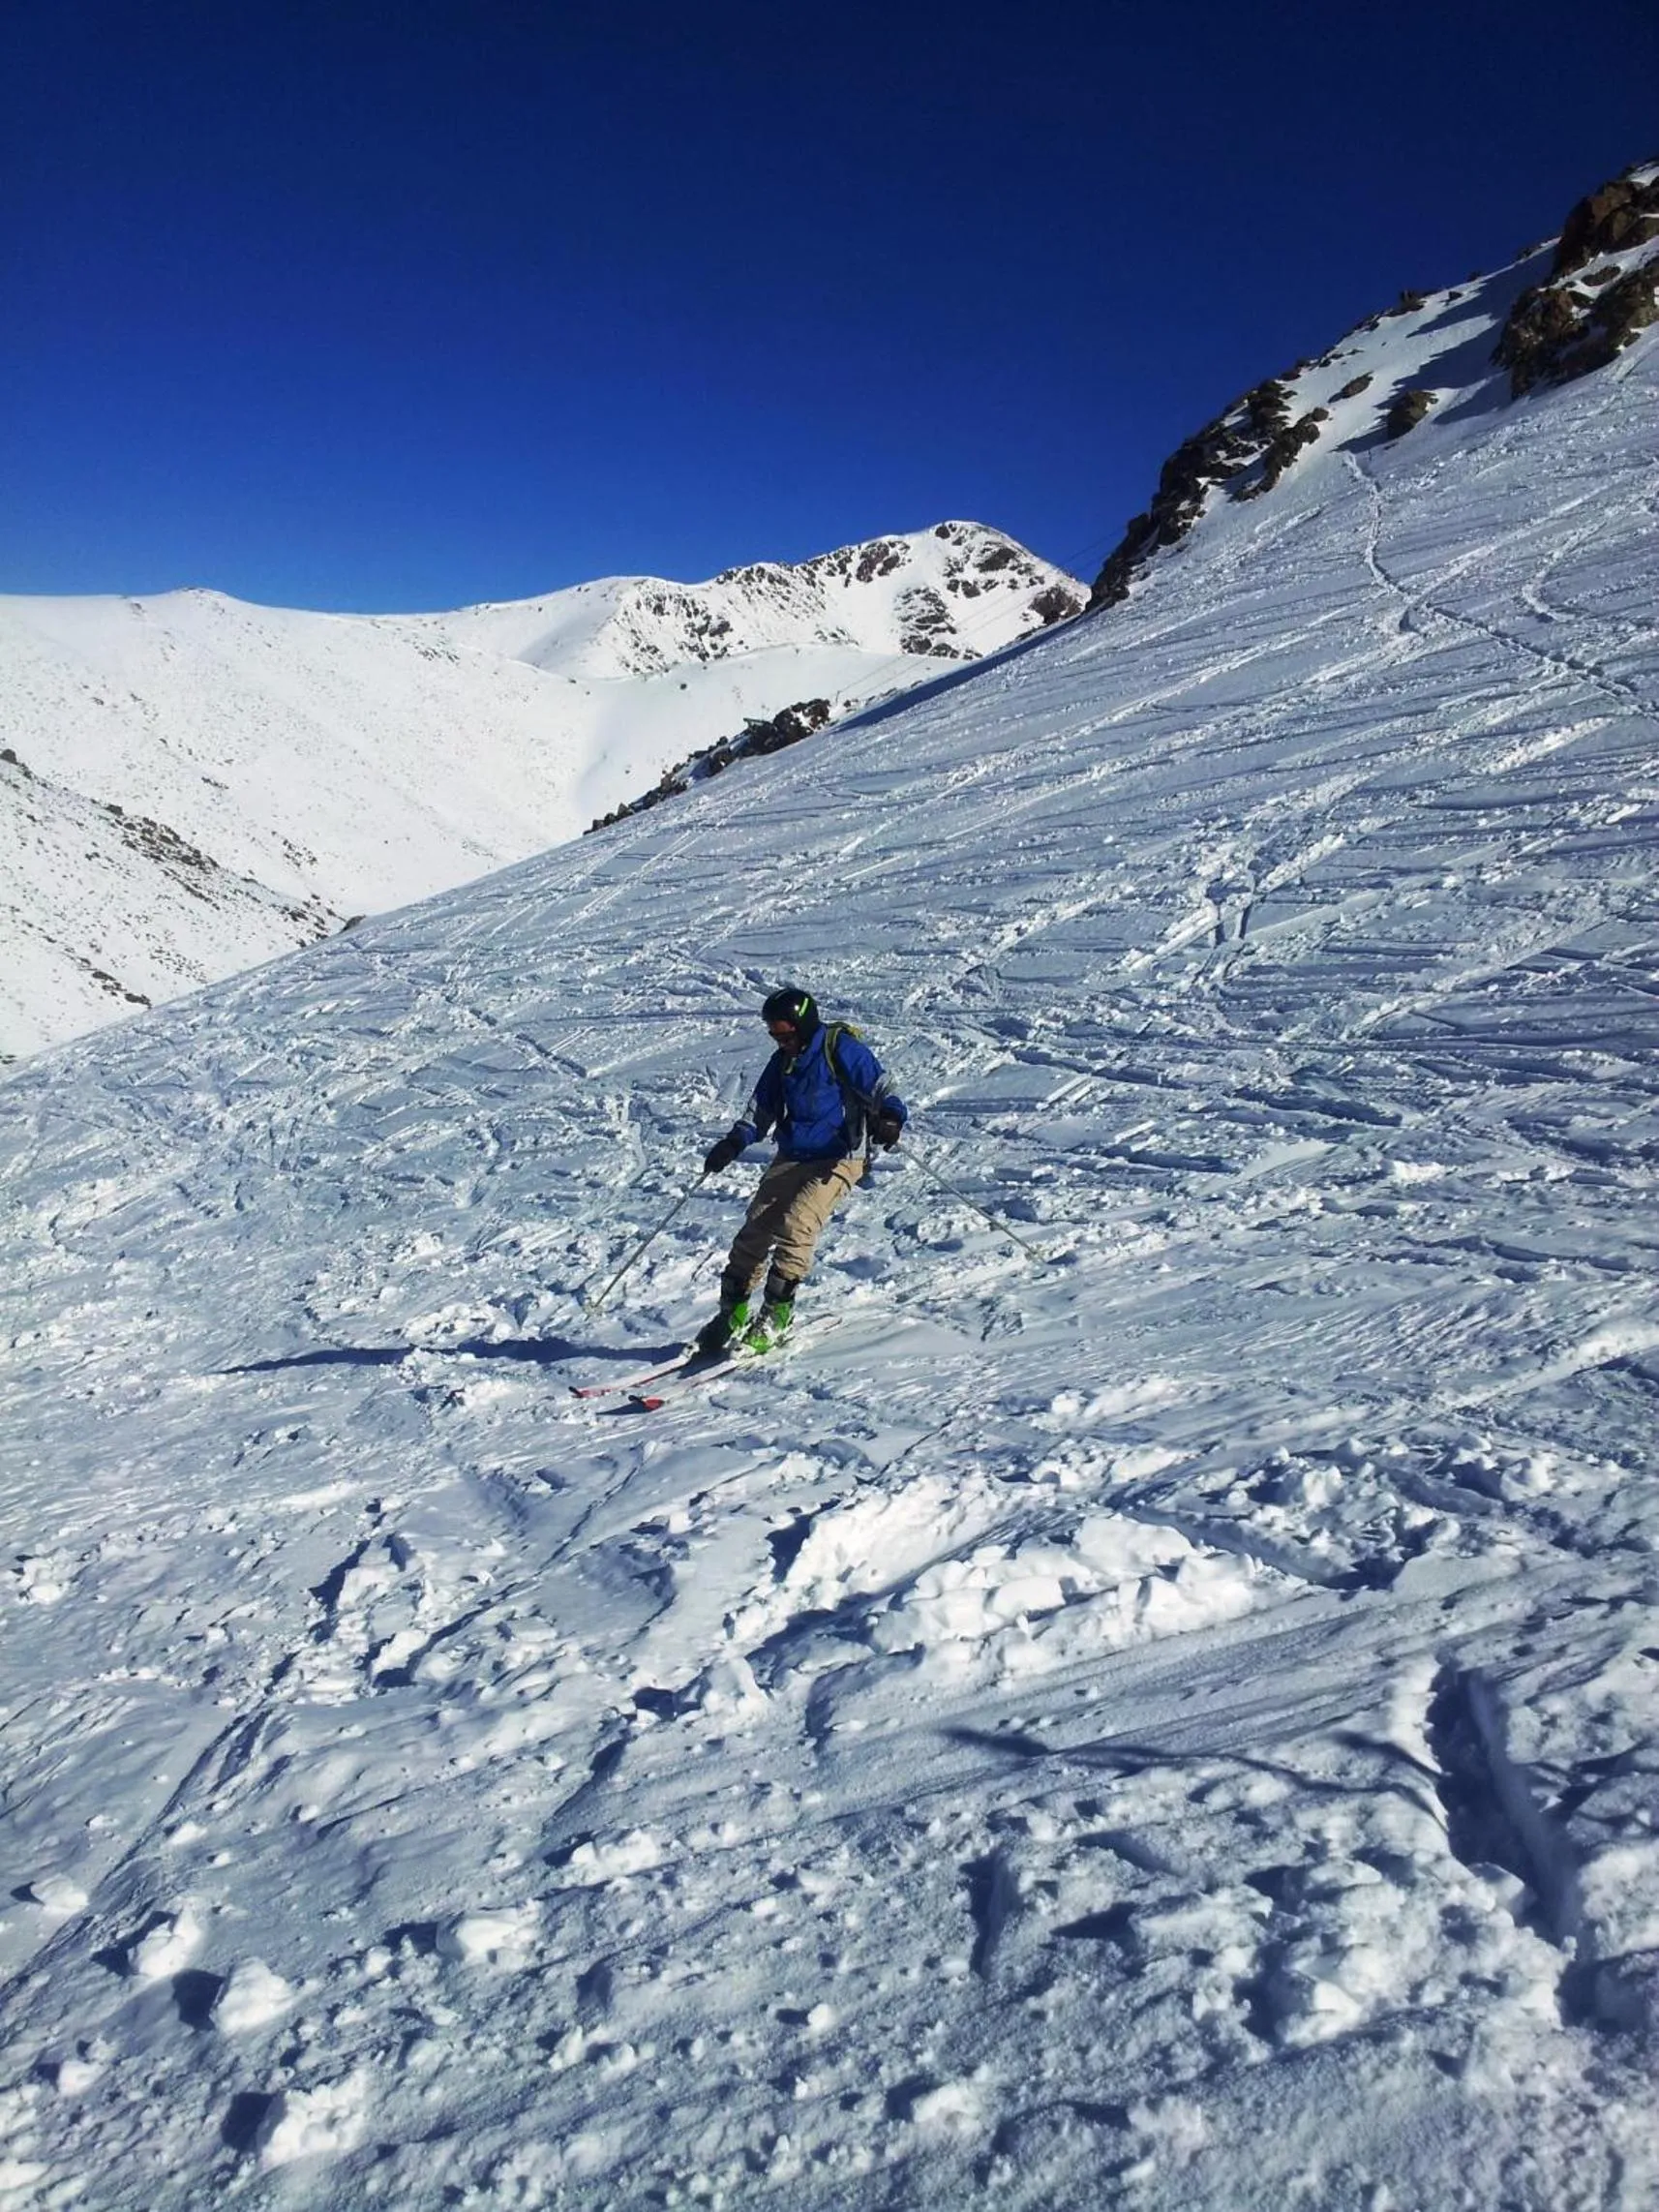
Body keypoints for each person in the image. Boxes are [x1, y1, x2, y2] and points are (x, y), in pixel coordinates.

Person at [696, 986, 906, 1354]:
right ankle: (732, 1313)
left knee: (797, 1224)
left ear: (803, 1025)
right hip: (795, 1153)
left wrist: (890, 1116)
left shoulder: (839, 1047)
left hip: (841, 1154)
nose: (781, 1042)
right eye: (774, 1035)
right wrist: (733, 1142)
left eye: (786, 1034)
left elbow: (882, 1086)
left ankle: (777, 1313)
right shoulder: (783, 1061)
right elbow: (761, 1109)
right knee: (755, 1229)